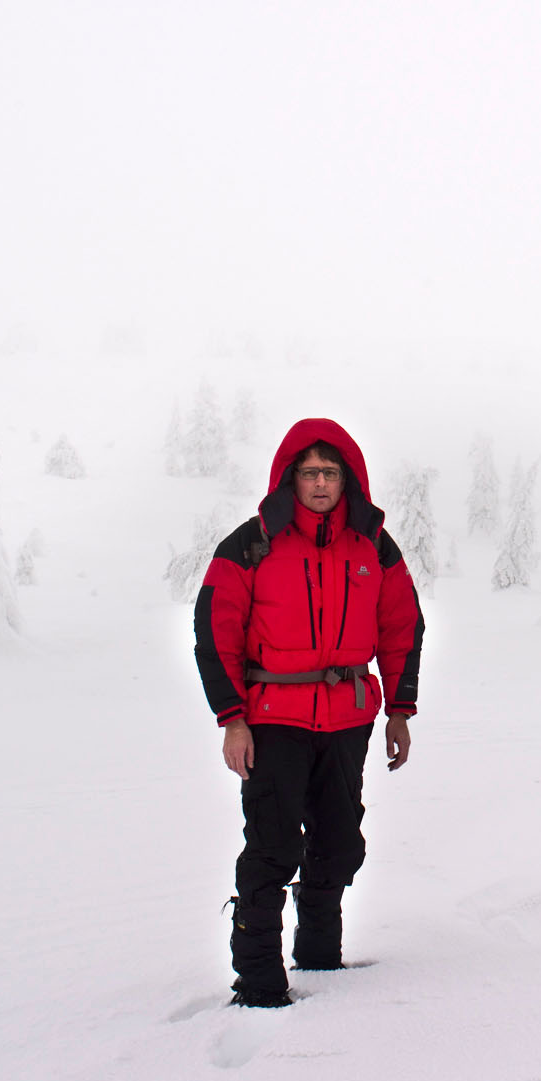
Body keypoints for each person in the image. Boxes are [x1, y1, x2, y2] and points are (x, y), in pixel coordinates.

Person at [193, 417, 423, 1006]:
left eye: (330, 472)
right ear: (289, 478)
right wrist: (232, 720)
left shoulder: (374, 544)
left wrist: (398, 709)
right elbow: (214, 630)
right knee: (273, 848)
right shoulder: (251, 542)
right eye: (309, 472)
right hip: (272, 718)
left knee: (341, 845)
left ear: (348, 479)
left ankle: (320, 959)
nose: (320, 483)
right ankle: (259, 983)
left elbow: (402, 626)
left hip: (348, 718)